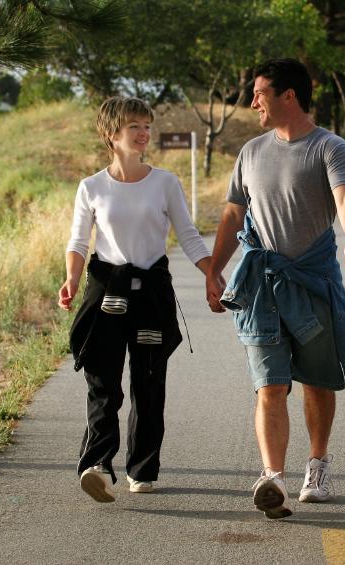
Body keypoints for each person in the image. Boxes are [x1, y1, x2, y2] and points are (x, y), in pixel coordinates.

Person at [205, 58, 345, 519]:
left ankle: (317, 466)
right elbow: (232, 215)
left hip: (313, 279)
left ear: (289, 96)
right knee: (270, 384)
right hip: (262, 284)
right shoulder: (252, 152)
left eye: (260, 92)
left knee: (318, 381)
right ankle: (273, 477)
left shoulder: (329, 148)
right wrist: (214, 270)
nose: (252, 100)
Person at [58, 96, 214, 503]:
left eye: (147, 125)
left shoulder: (165, 182)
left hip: (152, 293)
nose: (145, 134)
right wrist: (71, 280)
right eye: (135, 127)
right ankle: (96, 465)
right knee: (103, 383)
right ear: (112, 134)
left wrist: (213, 275)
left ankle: (142, 468)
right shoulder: (91, 187)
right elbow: (78, 240)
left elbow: (189, 235)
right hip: (106, 288)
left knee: (148, 384)